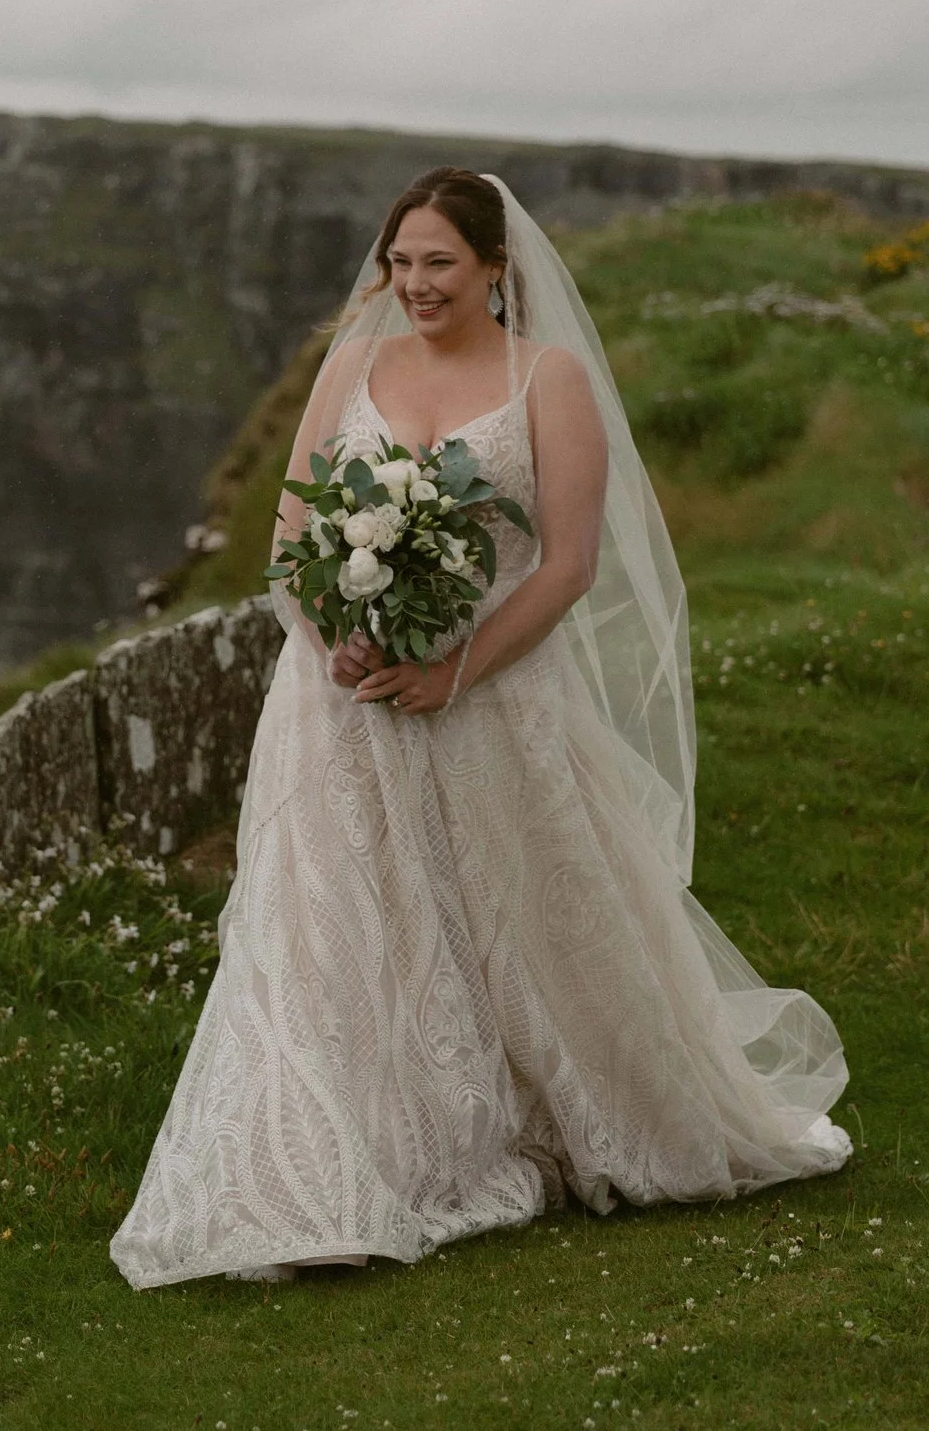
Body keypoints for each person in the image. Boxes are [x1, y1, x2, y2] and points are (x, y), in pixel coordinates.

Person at [109, 168, 850, 1289]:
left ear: (495, 268)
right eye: (399, 261)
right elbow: (293, 534)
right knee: (329, 932)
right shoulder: (349, 368)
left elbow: (567, 565)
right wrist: (334, 638)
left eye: (439, 263)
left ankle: (525, 1116)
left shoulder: (544, 379)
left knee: (516, 919)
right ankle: (325, 1168)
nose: (414, 283)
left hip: (491, 701)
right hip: (339, 706)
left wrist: (455, 668)